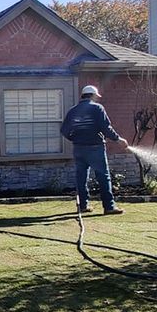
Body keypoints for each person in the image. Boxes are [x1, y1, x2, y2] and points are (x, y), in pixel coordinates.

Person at [61, 85, 128, 215]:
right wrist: (118, 139)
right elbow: (105, 128)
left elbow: (64, 130)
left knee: (81, 177)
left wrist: (75, 138)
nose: (97, 98)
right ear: (92, 95)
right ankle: (109, 207)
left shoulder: (73, 110)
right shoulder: (97, 108)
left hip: (78, 148)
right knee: (103, 176)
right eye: (96, 96)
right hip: (95, 148)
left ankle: (83, 206)